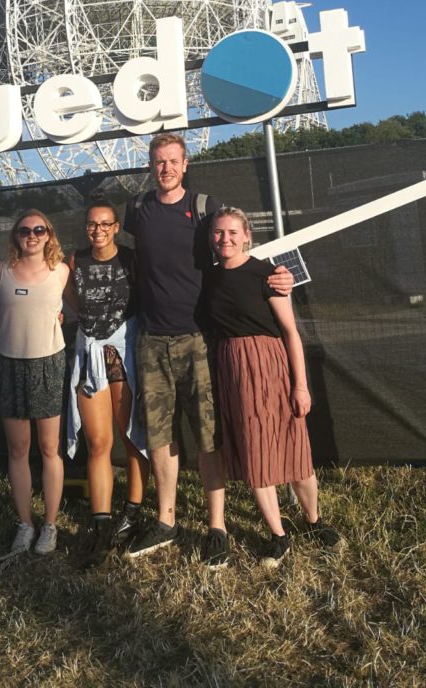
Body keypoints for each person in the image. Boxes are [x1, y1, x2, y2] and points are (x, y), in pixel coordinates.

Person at [123, 133, 293, 568]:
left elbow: (235, 249)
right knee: (160, 435)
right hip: (151, 339)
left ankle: (216, 526)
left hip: (198, 338)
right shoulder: (138, 210)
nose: (166, 169)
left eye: (173, 161)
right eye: (159, 162)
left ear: (185, 164)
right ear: (150, 165)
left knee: (206, 435)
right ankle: (166, 520)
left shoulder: (204, 209)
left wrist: (276, 276)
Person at [206, 206, 340, 567]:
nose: (225, 239)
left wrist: (301, 386)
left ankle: (313, 521)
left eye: (233, 232)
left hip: (271, 366)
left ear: (246, 235)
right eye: (218, 233)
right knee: (255, 452)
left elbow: (291, 334)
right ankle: (278, 535)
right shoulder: (209, 278)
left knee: (294, 449)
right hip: (232, 370)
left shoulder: (269, 275)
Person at [65, 199, 149, 568]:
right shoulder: (75, 260)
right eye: (91, 225)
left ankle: (132, 513)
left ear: (116, 227)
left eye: (105, 224)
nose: (97, 230)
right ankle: (101, 523)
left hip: (123, 354)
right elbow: (66, 302)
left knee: (131, 435)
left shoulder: (132, 259)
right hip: (90, 355)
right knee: (98, 443)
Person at [0, 209, 70, 557]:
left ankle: (49, 524)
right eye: (25, 230)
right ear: (16, 236)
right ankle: (25, 524)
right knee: (18, 450)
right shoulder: (0, 271)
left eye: (40, 229)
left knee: (49, 449)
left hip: (48, 364)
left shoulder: (62, 272)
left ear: (49, 234)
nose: (32, 235)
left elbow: (75, 310)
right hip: (8, 364)